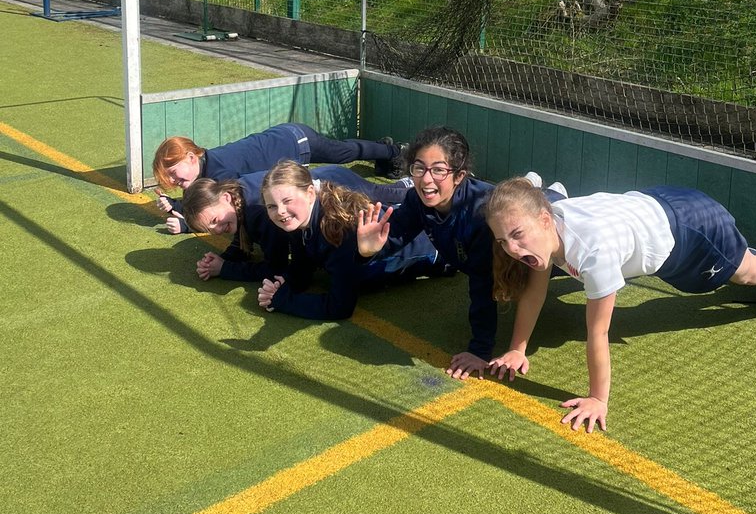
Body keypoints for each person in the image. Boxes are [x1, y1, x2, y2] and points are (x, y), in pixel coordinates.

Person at [484, 178, 756, 434]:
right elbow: (534, 292)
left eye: (518, 235)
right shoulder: (545, 217)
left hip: (691, 230)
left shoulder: (593, 251)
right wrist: (518, 349)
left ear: (546, 219)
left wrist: (597, 400)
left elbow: (598, 331)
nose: (512, 250)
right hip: (660, 203)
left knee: (746, 272)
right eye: (503, 240)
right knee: (743, 263)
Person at [355, 125, 566, 381]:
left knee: (558, 269)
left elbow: (483, 285)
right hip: (503, 243)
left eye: (439, 170)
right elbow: (393, 237)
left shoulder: (478, 215)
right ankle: (536, 186)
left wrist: (480, 350)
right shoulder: (416, 201)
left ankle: (552, 195)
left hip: (532, 247)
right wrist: (367, 250)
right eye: (419, 168)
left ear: (459, 176)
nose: (427, 179)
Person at [256, 161, 438, 320]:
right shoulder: (298, 221)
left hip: (437, 249)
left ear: (310, 193)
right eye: (272, 206)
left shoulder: (338, 230)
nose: (280, 211)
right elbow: (302, 267)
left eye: (287, 200)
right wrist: (285, 283)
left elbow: (340, 307)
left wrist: (284, 301)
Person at [153, 124, 405, 232]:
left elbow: (233, 210)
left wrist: (188, 224)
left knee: (342, 153)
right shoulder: (210, 170)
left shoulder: (220, 174)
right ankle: (385, 151)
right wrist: (175, 205)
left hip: (296, 143)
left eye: (174, 173)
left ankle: (392, 152)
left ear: (191, 157)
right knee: (342, 151)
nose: (174, 181)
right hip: (284, 136)